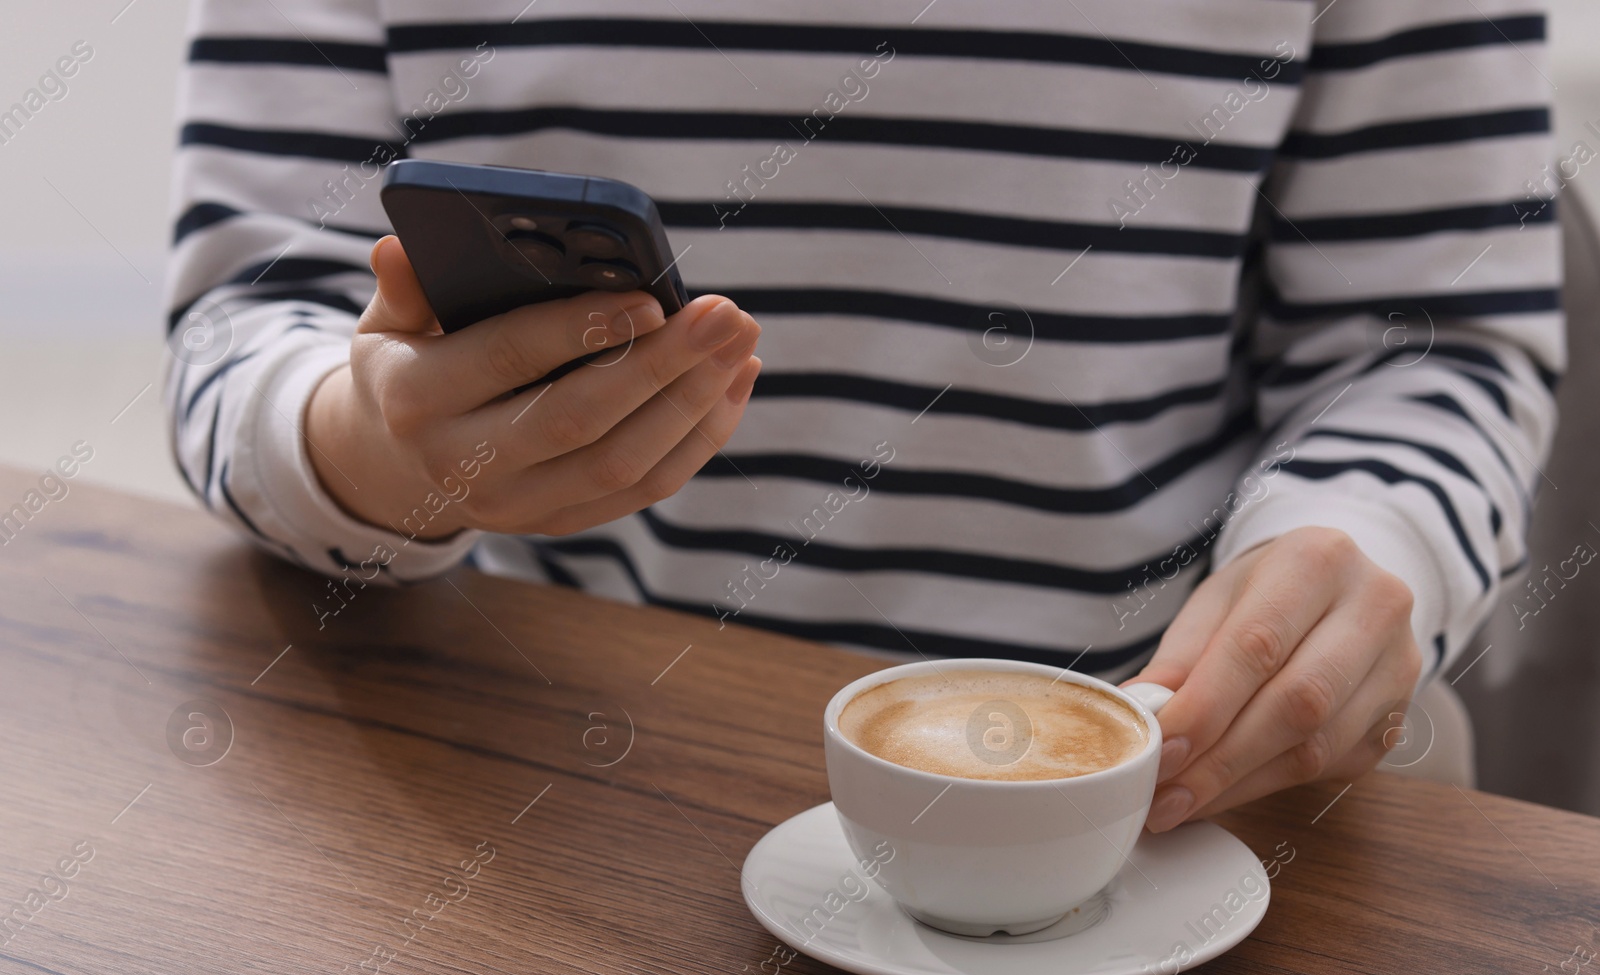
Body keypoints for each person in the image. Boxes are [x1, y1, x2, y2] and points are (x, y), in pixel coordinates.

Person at [164, 1, 1562, 832]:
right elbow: (249, 316)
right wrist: (370, 457)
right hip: (547, 795)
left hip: (1165, 805)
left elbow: (1433, 344)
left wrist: (1363, 536)